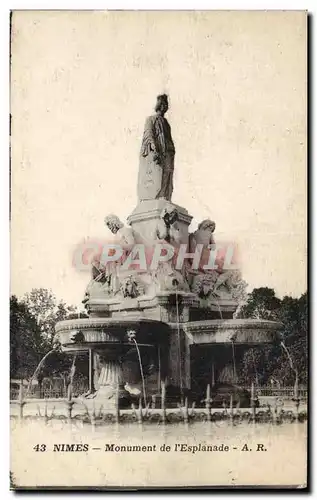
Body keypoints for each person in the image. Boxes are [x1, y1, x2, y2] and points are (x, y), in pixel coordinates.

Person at [138, 94, 175, 201]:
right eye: (163, 104)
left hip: (168, 151)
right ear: (160, 105)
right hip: (158, 151)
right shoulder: (151, 119)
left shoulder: (166, 123)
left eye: (166, 104)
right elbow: (148, 133)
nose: (165, 107)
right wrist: (154, 146)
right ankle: (156, 195)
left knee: (168, 173)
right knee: (158, 173)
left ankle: (164, 195)